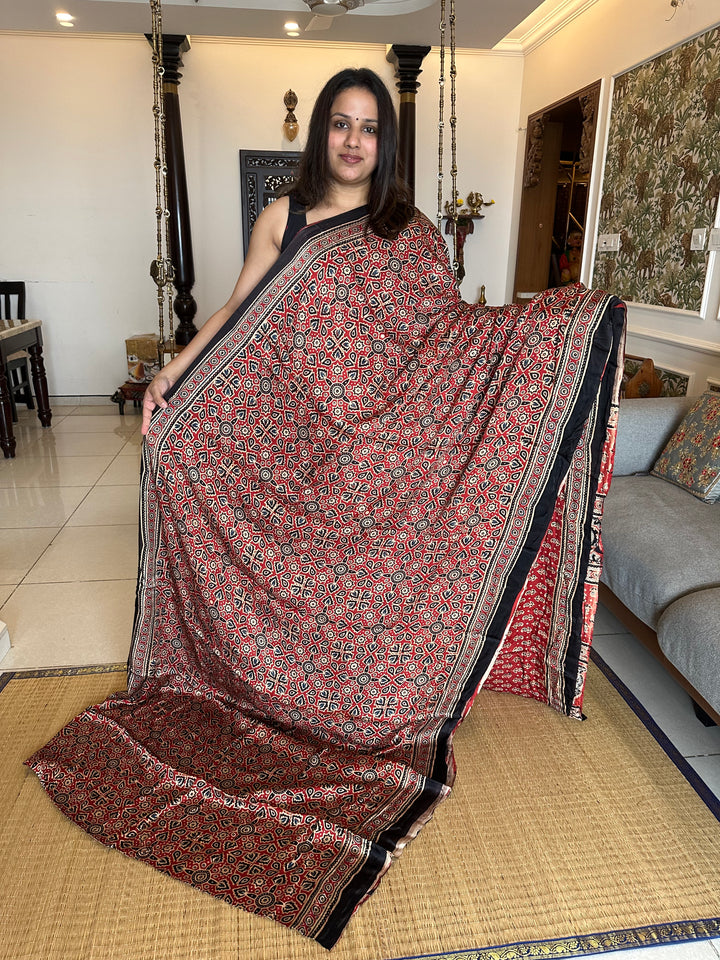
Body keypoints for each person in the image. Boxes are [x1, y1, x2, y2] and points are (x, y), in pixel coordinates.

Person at [141, 67, 415, 436]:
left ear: (385, 142)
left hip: (383, 421)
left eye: (369, 129)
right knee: (171, 440)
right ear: (322, 133)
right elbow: (236, 310)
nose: (353, 140)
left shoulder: (407, 226)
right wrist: (170, 373)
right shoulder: (283, 219)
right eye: (341, 124)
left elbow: (441, 328)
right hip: (295, 418)